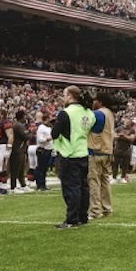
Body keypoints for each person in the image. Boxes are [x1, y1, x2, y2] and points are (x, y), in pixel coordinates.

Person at [51, 85, 95, 228]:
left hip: (69, 153)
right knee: (83, 186)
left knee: (72, 187)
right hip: (83, 152)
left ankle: (72, 218)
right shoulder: (89, 113)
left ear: (70, 96)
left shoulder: (66, 113)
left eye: (64, 95)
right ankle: (83, 216)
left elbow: (54, 133)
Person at [87, 94, 115, 218]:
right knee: (105, 181)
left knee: (94, 181)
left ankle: (95, 211)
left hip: (96, 150)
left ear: (100, 102)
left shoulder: (97, 114)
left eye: (95, 101)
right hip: (107, 149)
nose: (93, 103)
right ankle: (107, 209)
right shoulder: (109, 113)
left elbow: (88, 128)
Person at [33, 110, 53, 191]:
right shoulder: (41, 128)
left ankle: (43, 184)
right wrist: (48, 139)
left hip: (48, 149)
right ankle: (40, 184)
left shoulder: (48, 127)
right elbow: (40, 139)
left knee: (44, 168)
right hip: (42, 149)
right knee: (41, 168)